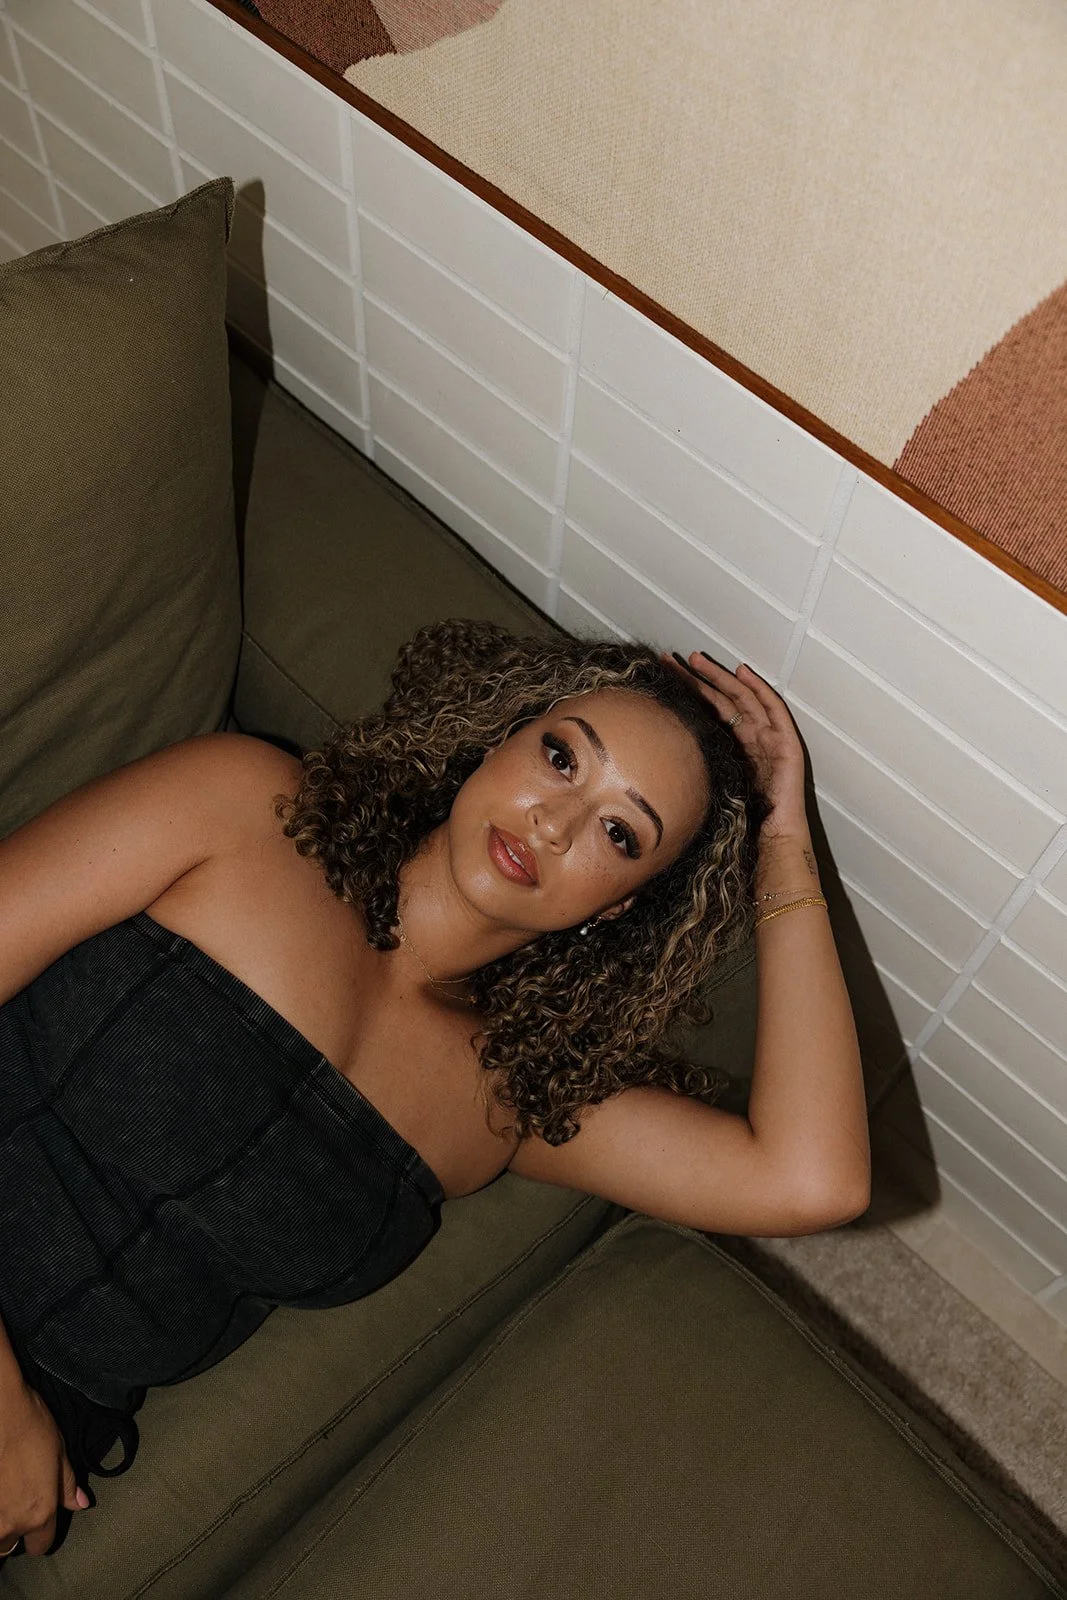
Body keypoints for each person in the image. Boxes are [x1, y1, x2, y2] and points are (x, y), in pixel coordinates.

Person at [0, 619, 869, 1563]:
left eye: (619, 834)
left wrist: (781, 839)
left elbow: (809, 1180)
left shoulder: (506, 1102)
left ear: (618, 907)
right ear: (495, 740)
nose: (555, 821)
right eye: (560, 757)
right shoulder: (241, 806)